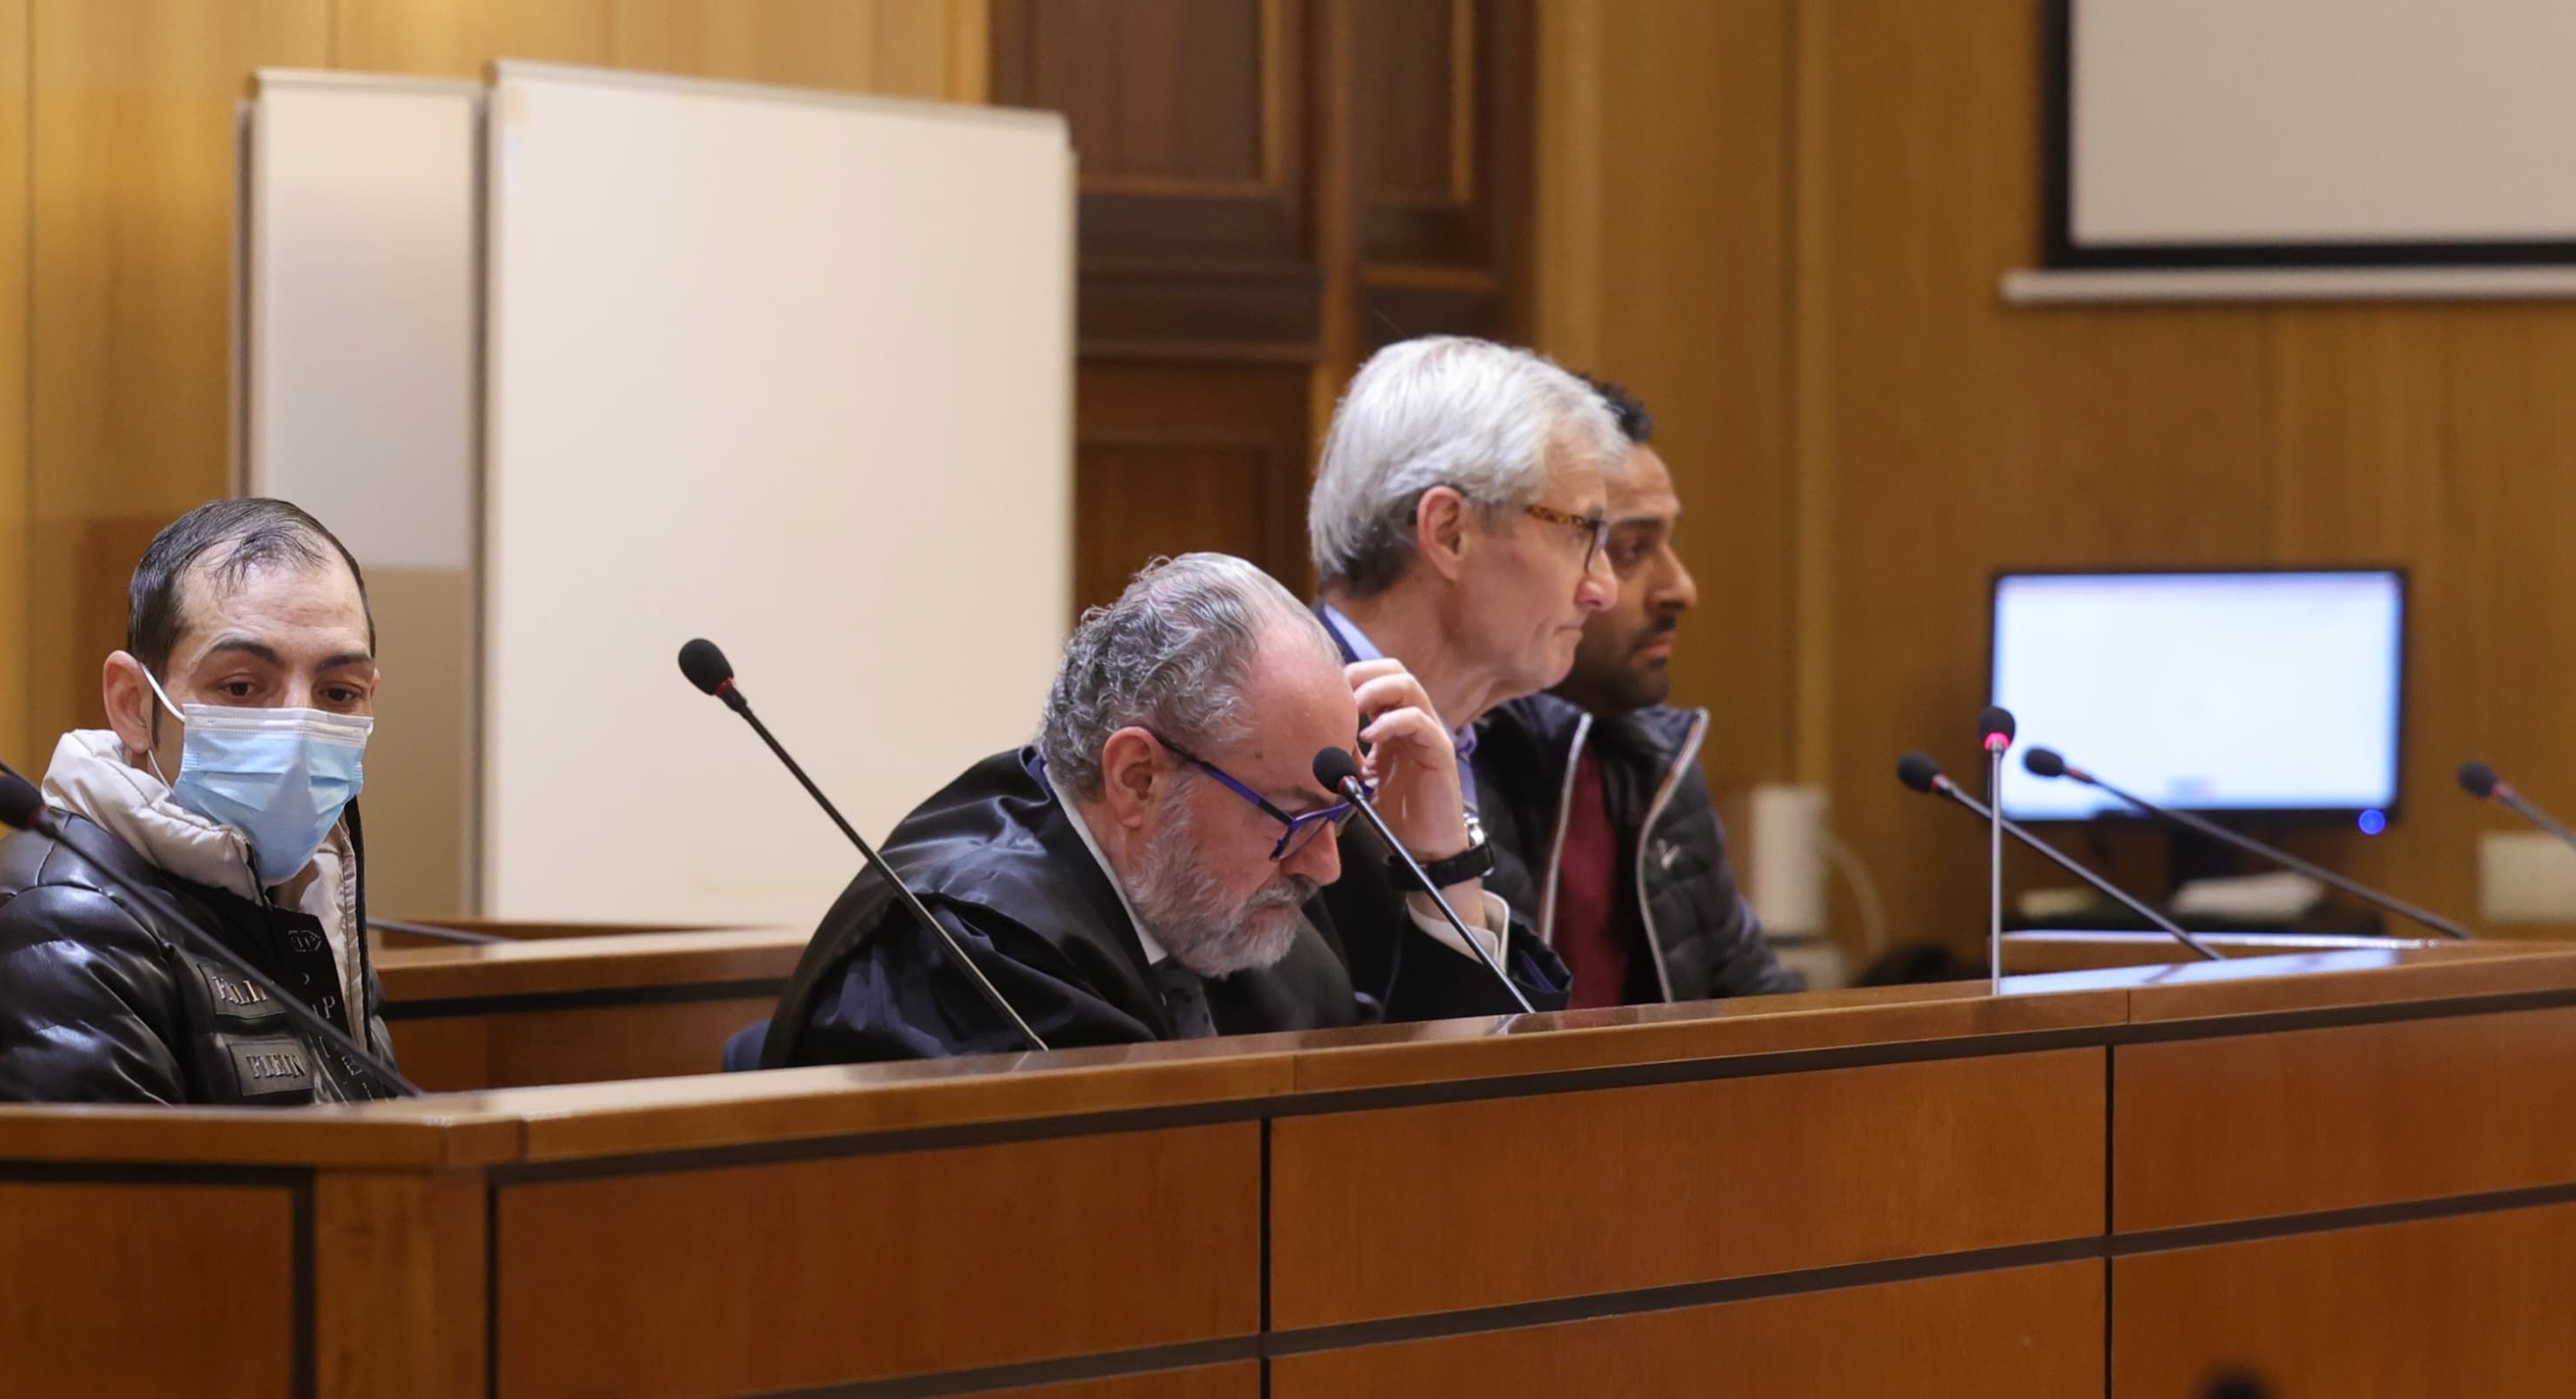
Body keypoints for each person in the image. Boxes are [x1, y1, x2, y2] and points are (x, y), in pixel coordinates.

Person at [755, 551, 1528, 1067]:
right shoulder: (968, 954)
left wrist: (1444, 866)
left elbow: (1405, 1132)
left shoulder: (1232, 903)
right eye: (1294, 815)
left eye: (1338, 819)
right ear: (1136, 779)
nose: (1323, 867)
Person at [0, 496, 398, 1107]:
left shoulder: (307, 889)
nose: (298, 724)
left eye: (338, 693)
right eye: (240, 686)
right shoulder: (59, 929)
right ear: (133, 705)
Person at [1305, 332, 1628, 1004]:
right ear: (1450, 531)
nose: (1604, 589)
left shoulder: (1529, 752)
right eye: (1580, 535)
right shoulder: (1271, 752)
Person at [1476, 382, 1798, 1004]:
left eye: (1667, 544)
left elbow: (1759, 1009)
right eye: (1630, 550)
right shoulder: (1448, 759)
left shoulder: (1657, 757)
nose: (1681, 589)